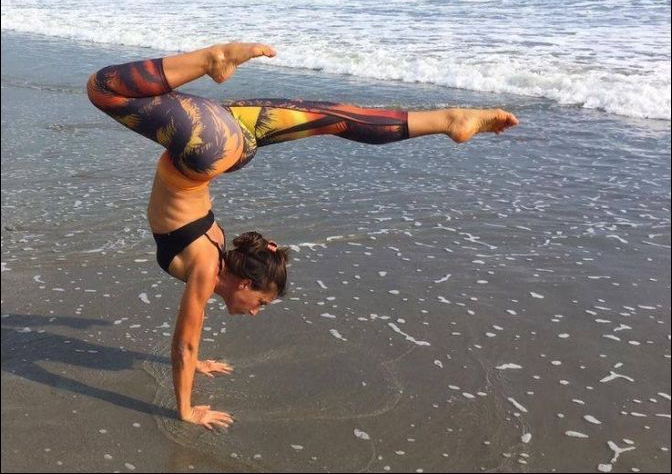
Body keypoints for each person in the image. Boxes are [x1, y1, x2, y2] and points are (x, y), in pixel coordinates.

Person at [87, 42, 519, 430]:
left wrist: (192, 376)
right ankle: (211, 59)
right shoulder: (207, 261)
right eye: (261, 302)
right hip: (211, 146)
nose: (256, 312)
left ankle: (448, 120)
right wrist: (186, 408)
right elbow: (185, 343)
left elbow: (186, 343)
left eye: (260, 305)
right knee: (103, 88)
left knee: (337, 119)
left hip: (226, 138)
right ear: (245, 282)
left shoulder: (209, 260)